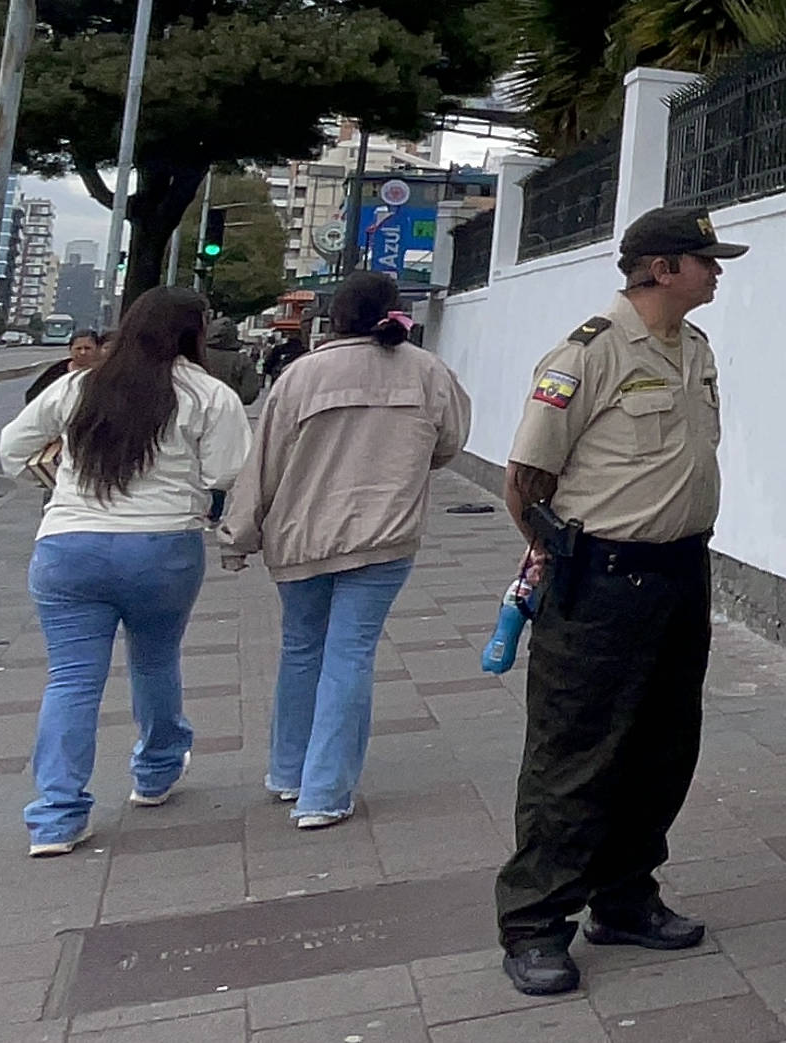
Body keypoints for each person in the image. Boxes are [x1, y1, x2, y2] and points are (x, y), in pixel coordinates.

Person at [494, 205, 740, 997]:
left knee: (662, 749)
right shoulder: (588, 352)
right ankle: (535, 922)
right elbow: (525, 480)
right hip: (602, 579)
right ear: (661, 269)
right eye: (704, 259)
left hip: (680, 573)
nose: (716, 270)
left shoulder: (694, 347)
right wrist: (554, 554)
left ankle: (626, 895)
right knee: (575, 755)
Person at [0, 287, 250, 857]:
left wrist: (59, 484)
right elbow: (227, 472)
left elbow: (13, 448)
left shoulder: (78, 386)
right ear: (195, 332)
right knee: (155, 661)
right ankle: (156, 771)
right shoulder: (209, 395)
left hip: (68, 546)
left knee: (71, 679)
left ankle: (56, 816)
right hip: (162, 545)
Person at [221, 272, 472, 830]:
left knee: (300, 649)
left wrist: (239, 536)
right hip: (384, 535)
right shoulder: (428, 371)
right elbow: (450, 443)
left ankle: (288, 772)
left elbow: (264, 465)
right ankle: (325, 793)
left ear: (333, 318)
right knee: (350, 655)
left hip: (300, 536)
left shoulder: (301, 375)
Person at [22, 329, 105, 405]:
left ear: (97, 349)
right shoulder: (56, 373)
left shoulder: (104, 372)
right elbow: (33, 397)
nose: (83, 352)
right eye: (78, 348)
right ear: (70, 349)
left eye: (87, 348)